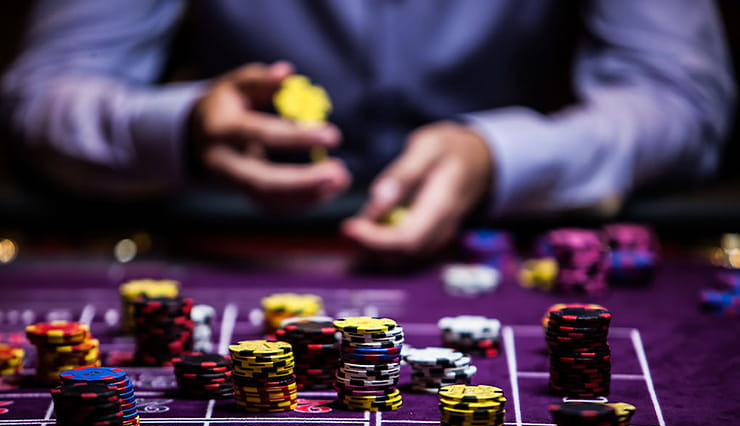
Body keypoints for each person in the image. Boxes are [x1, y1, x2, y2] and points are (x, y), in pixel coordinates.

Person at [1, 1, 735, 254]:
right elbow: (46, 90)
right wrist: (186, 126)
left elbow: (680, 99)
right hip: (228, 229)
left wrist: (500, 154)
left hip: (509, 235)